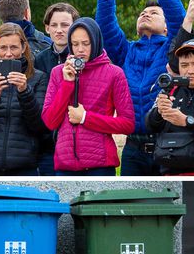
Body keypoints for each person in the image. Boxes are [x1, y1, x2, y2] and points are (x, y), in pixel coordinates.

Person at [96, 0, 185, 176]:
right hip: (133, 149)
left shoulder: (171, 48)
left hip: (167, 145)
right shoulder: (126, 51)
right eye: (142, 13)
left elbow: (177, 16)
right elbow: (104, 27)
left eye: (153, 12)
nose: (145, 14)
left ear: (166, 27)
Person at [42, 18, 135, 176]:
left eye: (86, 43)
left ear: (96, 41)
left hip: (100, 166)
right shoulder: (58, 72)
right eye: (75, 44)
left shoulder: (114, 73)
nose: (80, 49)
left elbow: (127, 124)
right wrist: (67, 84)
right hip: (65, 166)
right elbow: (50, 122)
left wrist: (86, 118)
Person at [0, 23, 48, 176]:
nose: (8, 54)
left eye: (14, 47)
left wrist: (25, 92)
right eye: (3, 48)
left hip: (24, 165)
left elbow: (39, 126)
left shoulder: (38, 78)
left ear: (23, 47)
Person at [147, 39, 194, 175]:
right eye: (184, 65)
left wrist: (187, 121)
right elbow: (150, 126)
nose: (190, 71)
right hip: (170, 172)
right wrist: (159, 112)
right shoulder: (170, 89)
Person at [35, 3, 81, 176]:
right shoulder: (40, 59)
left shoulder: (83, 57)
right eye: (54, 25)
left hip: (75, 138)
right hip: (47, 142)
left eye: (65, 25)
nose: (59, 30)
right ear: (47, 28)